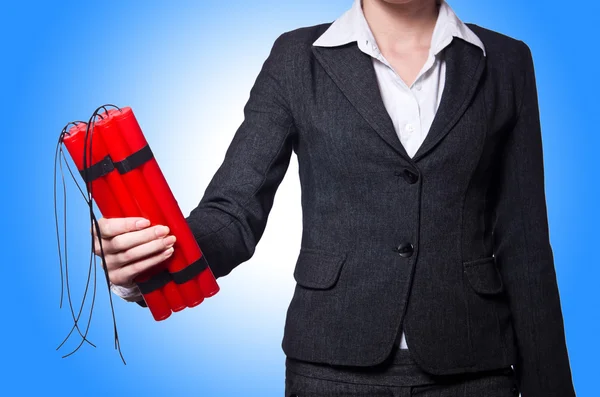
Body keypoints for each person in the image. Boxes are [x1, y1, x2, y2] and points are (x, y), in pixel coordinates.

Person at [93, 0, 577, 395]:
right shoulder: (296, 57)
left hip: (475, 367)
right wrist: (152, 258)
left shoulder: (507, 61)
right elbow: (233, 212)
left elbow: (525, 243)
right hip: (332, 369)